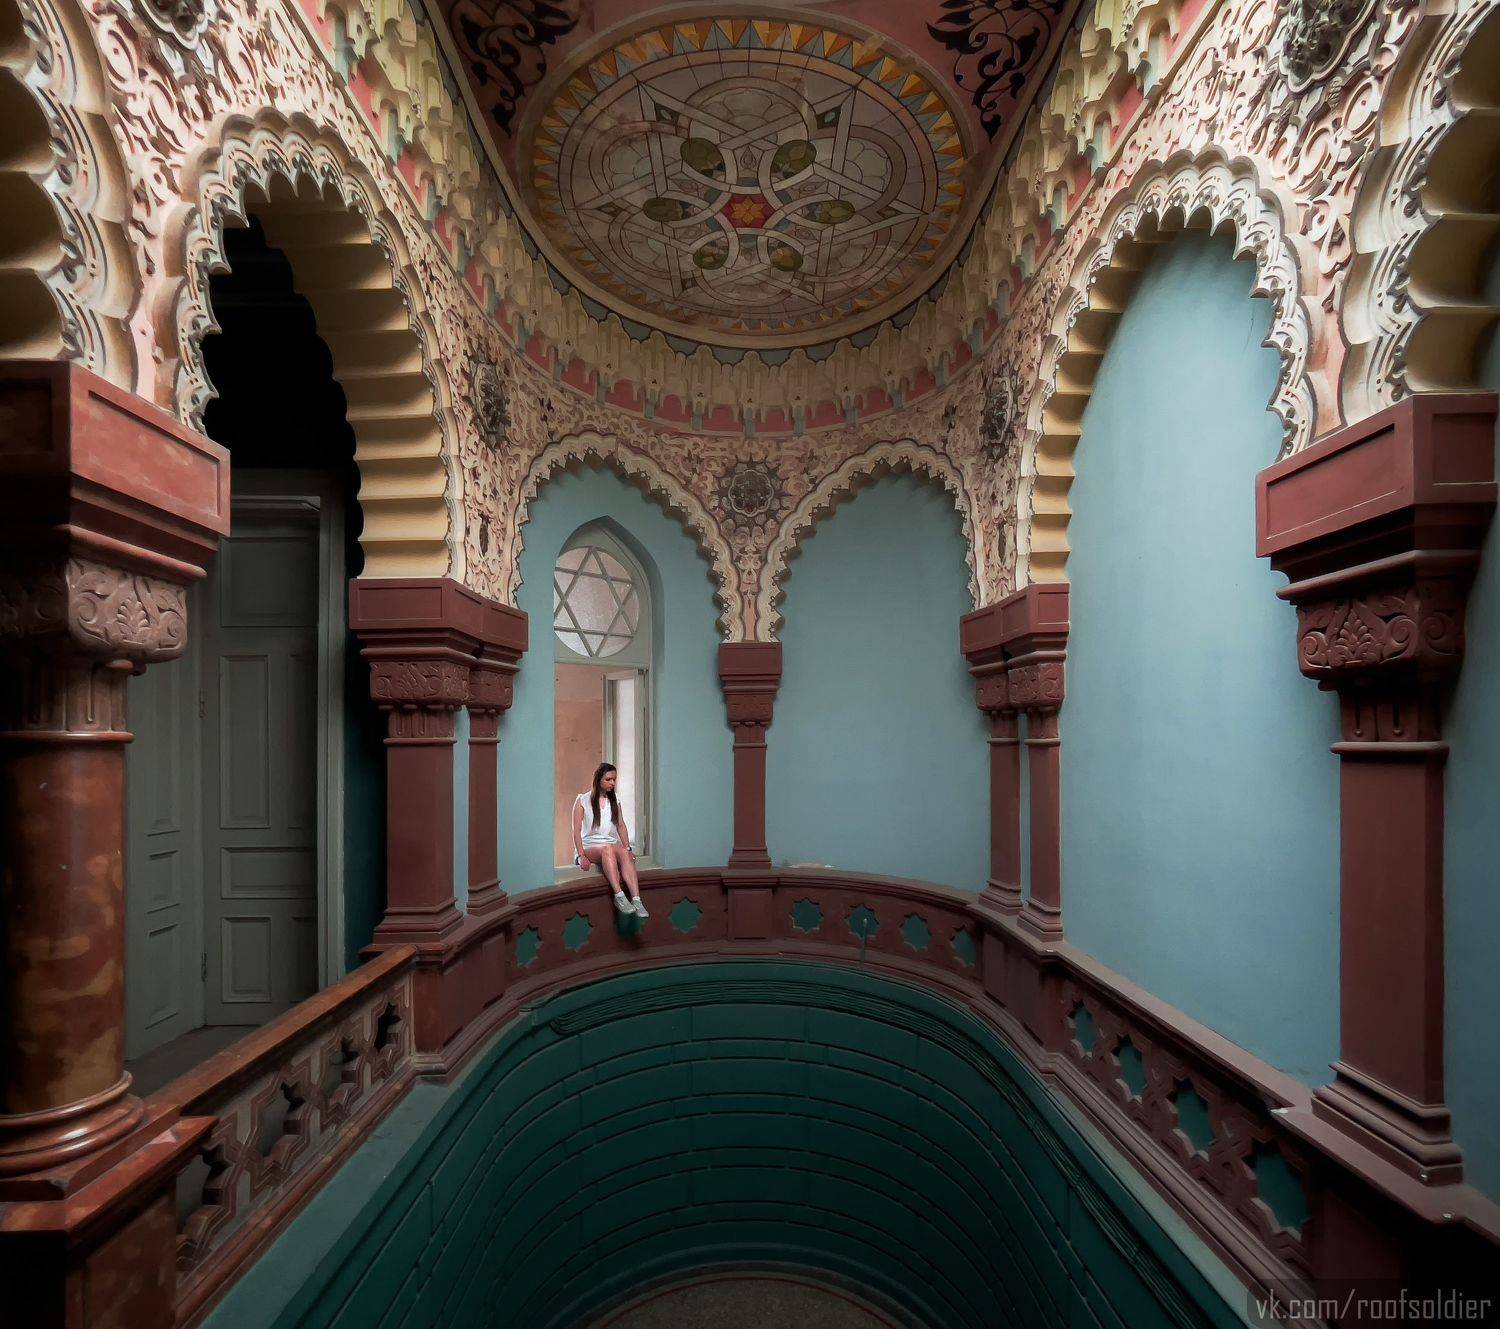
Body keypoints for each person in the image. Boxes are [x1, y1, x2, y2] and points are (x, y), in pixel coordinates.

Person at [572, 762, 647, 918]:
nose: (613, 783)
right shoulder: (582, 800)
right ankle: (619, 896)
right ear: (599, 779)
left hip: (609, 845)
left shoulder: (615, 800)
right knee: (607, 848)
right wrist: (581, 856)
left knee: (624, 852)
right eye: (609, 779)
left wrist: (628, 848)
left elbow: (621, 825)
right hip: (590, 846)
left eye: (614, 779)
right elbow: (576, 830)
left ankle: (636, 900)